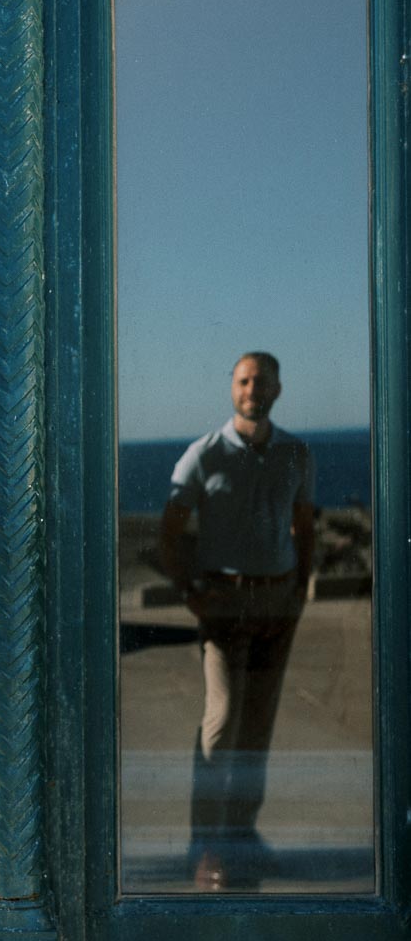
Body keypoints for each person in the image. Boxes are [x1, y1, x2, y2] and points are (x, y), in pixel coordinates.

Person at [159, 352, 315, 892]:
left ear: (276, 389)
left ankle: (244, 838)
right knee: (222, 726)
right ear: (233, 387)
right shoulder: (204, 455)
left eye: (262, 381)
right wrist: (190, 592)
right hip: (224, 606)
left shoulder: (295, 452)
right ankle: (206, 847)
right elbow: (169, 531)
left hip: (278, 605)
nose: (252, 389)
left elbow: (303, 526)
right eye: (244, 380)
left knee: (257, 729)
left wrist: (301, 589)